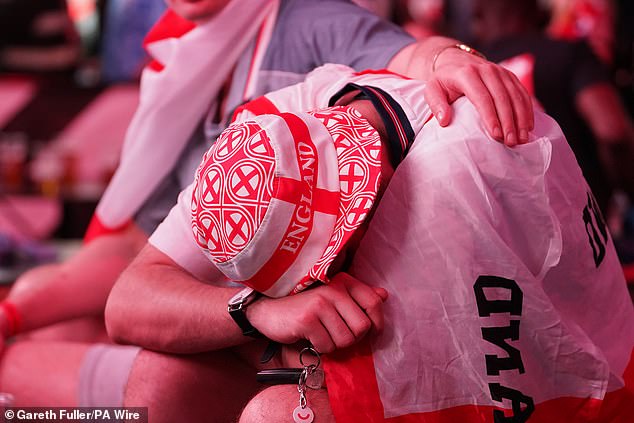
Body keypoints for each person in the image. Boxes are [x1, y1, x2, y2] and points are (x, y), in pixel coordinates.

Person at [107, 64, 633, 422]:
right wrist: (257, 311)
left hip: (562, 376)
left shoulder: (450, 176)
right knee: (159, 377)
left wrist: (455, 55)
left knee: (274, 416)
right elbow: (127, 304)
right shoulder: (264, 138)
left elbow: (448, 368)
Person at [472, 0, 634, 216]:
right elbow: (612, 131)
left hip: (518, 231)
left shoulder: (473, 75)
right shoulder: (569, 53)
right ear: (539, 12)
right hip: (588, 222)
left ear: (479, 20)